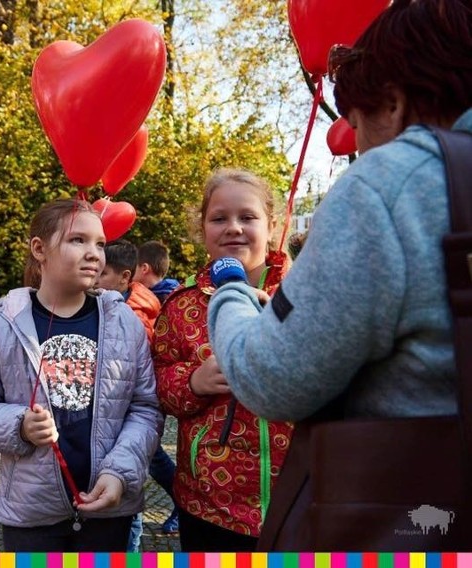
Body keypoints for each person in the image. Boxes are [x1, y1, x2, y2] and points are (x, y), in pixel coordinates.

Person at [206, 0, 470, 439]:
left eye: (357, 125)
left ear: (391, 105)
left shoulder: (387, 187)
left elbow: (273, 376)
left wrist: (231, 294)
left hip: (420, 500)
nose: (361, 150)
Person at [0, 198, 163, 552]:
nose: (94, 253)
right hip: (32, 513)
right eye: (77, 240)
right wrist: (18, 424)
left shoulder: (123, 321)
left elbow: (145, 408)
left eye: (100, 243)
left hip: (108, 509)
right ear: (39, 248)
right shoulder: (1, 324)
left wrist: (120, 472)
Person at [152, 169, 291, 551]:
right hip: (210, 505)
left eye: (247, 217)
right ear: (202, 229)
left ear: (272, 224)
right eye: (219, 218)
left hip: (299, 498)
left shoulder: (306, 295)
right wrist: (193, 381)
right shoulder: (181, 306)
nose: (233, 228)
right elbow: (159, 384)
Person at [97, 240, 180, 549]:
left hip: (130, 413)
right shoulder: (120, 303)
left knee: (139, 472)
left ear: (124, 277)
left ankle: (133, 544)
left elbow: (136, 374)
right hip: (117, 412)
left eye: (103, 273)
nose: (95, 278)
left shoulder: (134, 317)